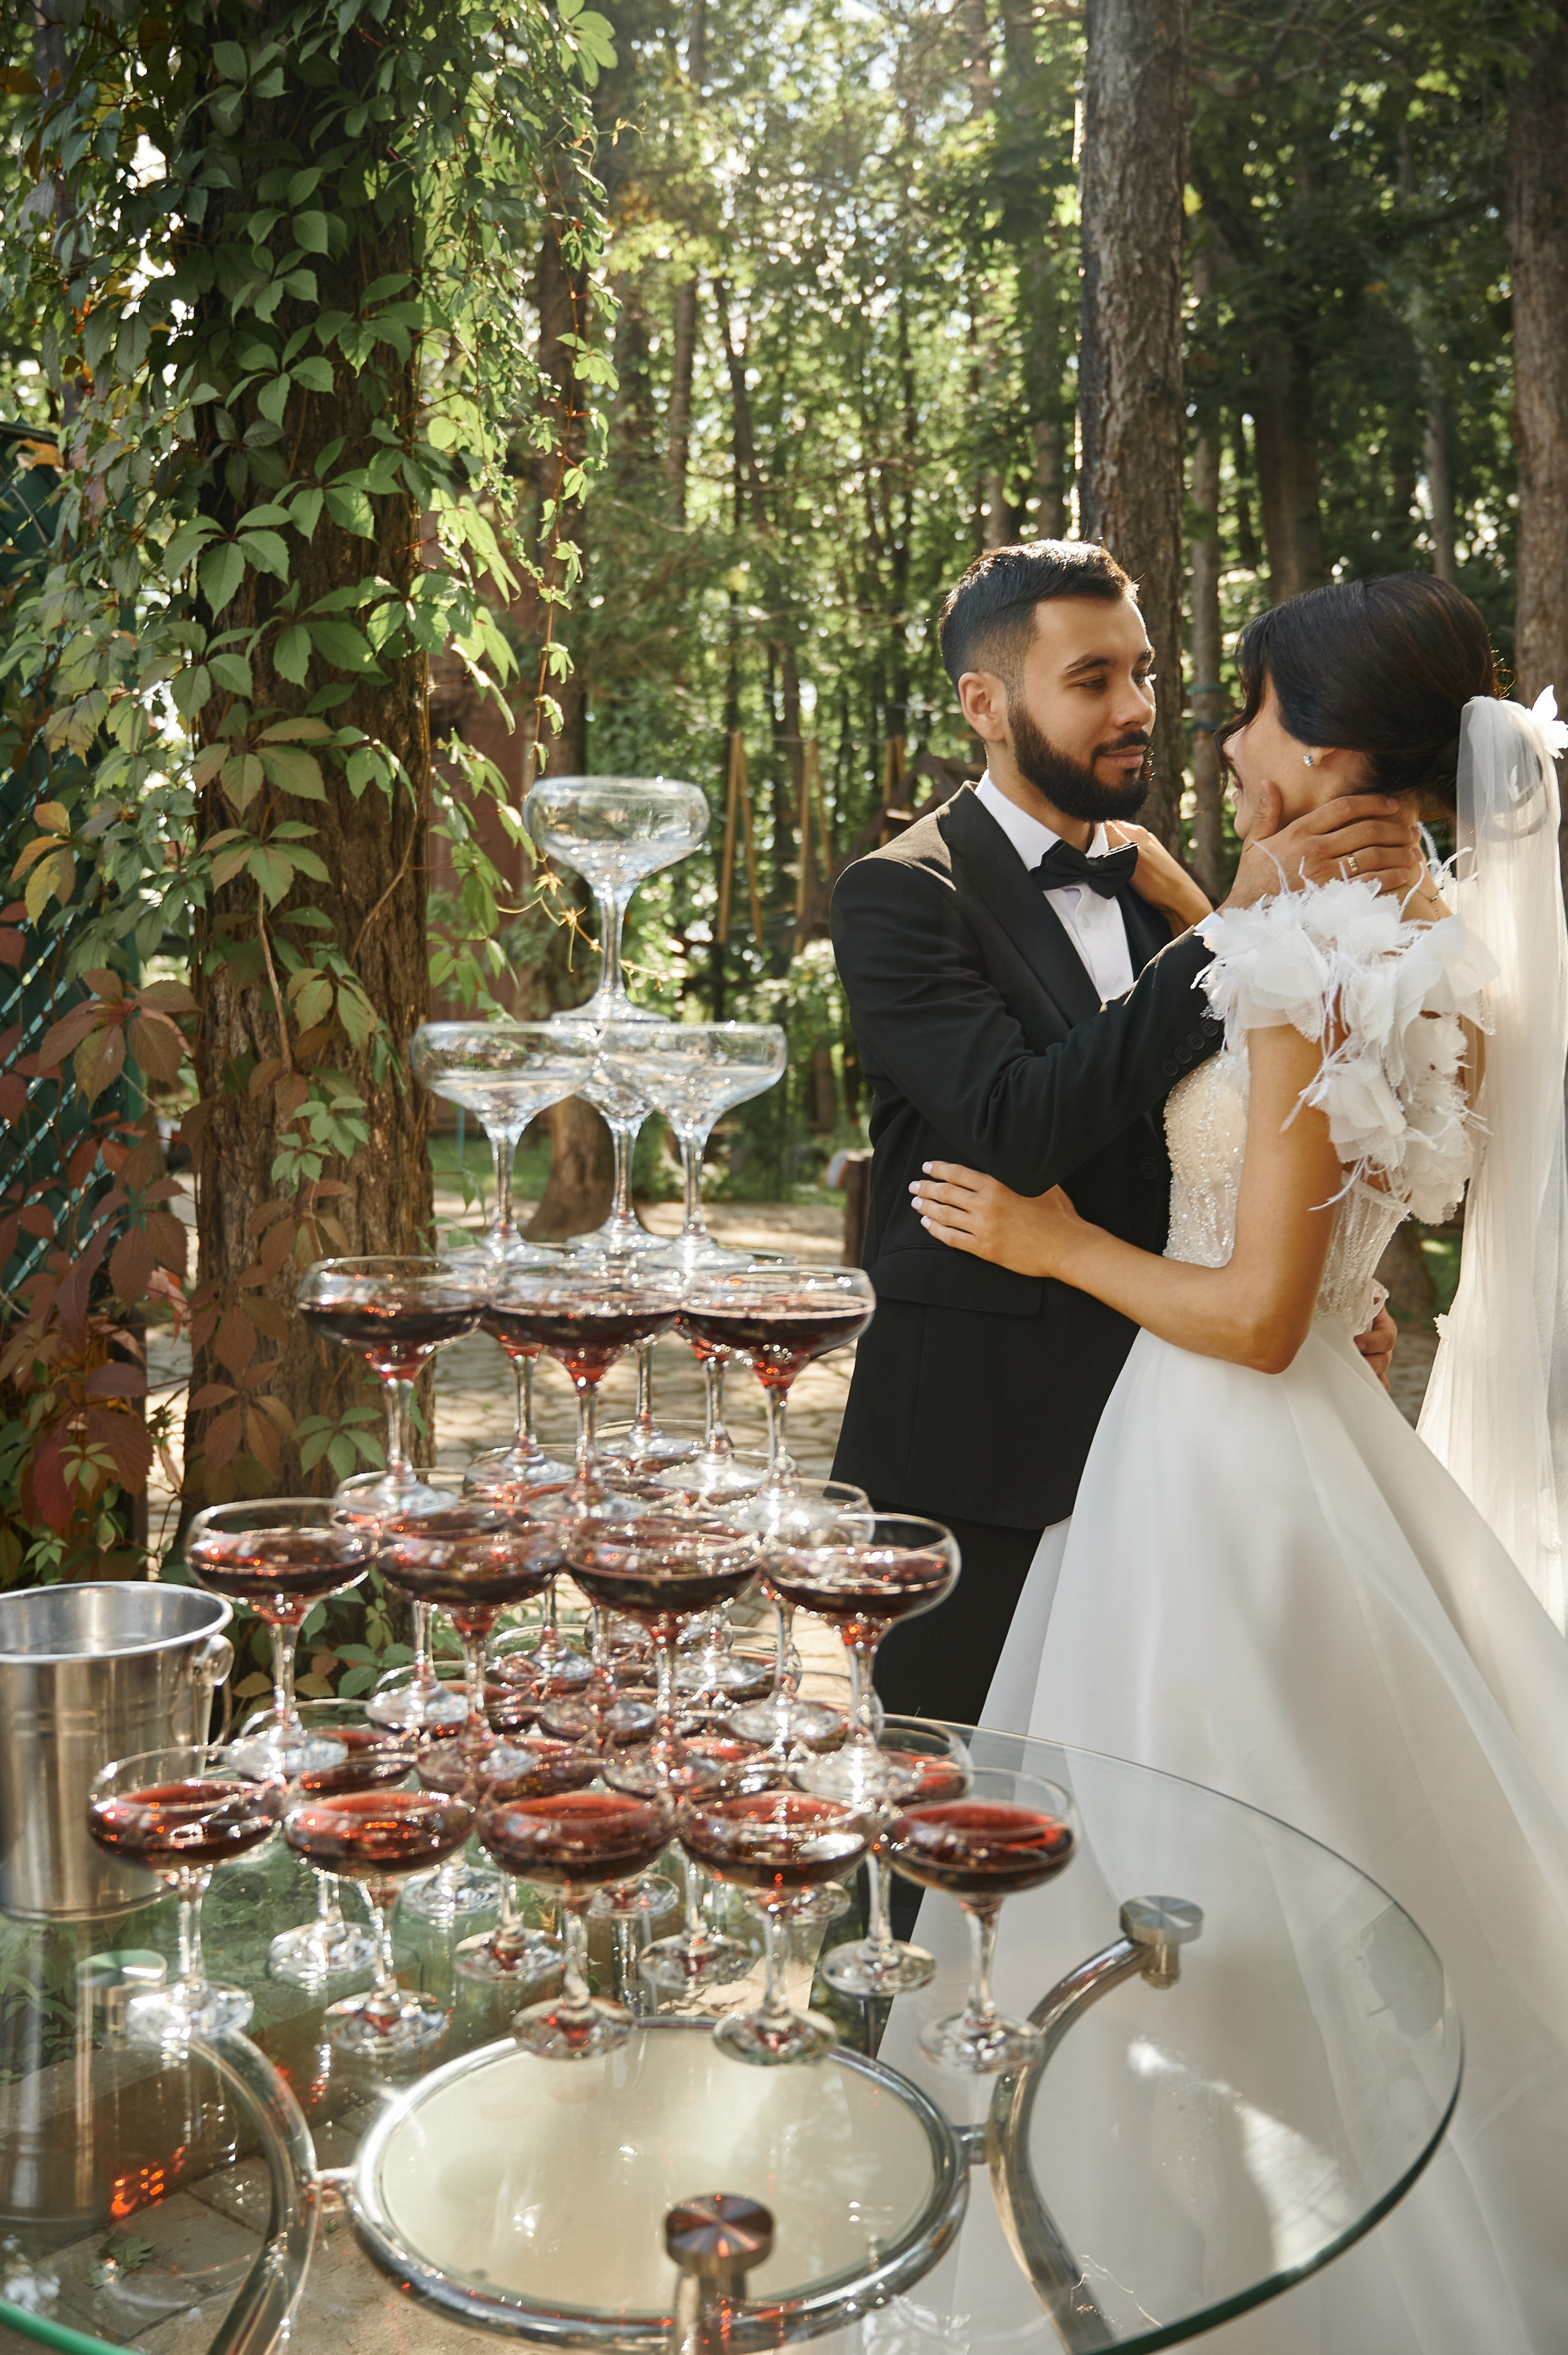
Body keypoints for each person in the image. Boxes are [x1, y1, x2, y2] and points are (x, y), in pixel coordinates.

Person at [911, 572, 1568, 2353]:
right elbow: (1358, 1219)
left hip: (1215, 1459)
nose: (1217, 737)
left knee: (1180, 1893)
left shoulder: (1298, 963)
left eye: (1252, 712)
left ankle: (1187, 2259)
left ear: (1333, 743)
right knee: (1351, 1867)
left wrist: (1056, 1249)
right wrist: (1214, 897)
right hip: (1339, 1467)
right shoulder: (1450, 939)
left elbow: (1265, 1311)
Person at [829, 539, 1411, 1728]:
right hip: (975, 1462)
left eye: (1140, 672)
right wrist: (1228, 922)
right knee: (942, 1834)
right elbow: (1014, 1123)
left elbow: (1226, 1122)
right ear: (984, 705)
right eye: (1091, 679)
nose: (1137, 708)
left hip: (1176, 1447)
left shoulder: (1166, 892)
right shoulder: (899, 893)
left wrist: (1322, 1277)